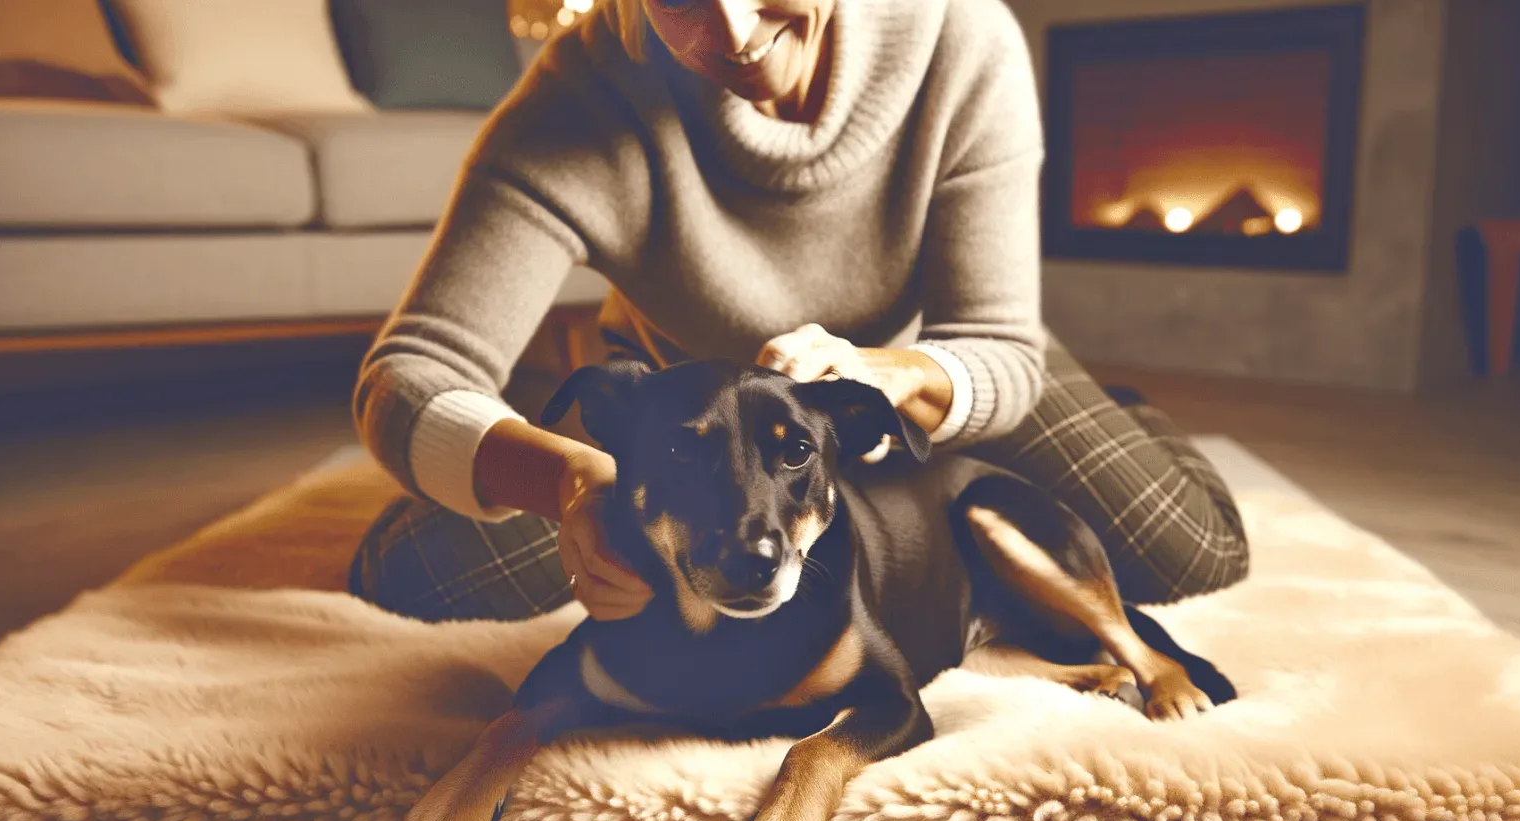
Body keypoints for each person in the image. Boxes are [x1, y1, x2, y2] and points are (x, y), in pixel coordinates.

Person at [347, 0, 1249, 625]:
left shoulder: (961, 42)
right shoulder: (576, 106)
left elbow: (1000, 348)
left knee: (1192, 558)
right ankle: (891, 504)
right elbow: (407, 377)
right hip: (699, 421)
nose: (734, 33)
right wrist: (567, 484)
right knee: (410, 578)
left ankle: (1089, 423)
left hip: (932, 369)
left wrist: (880, 375)